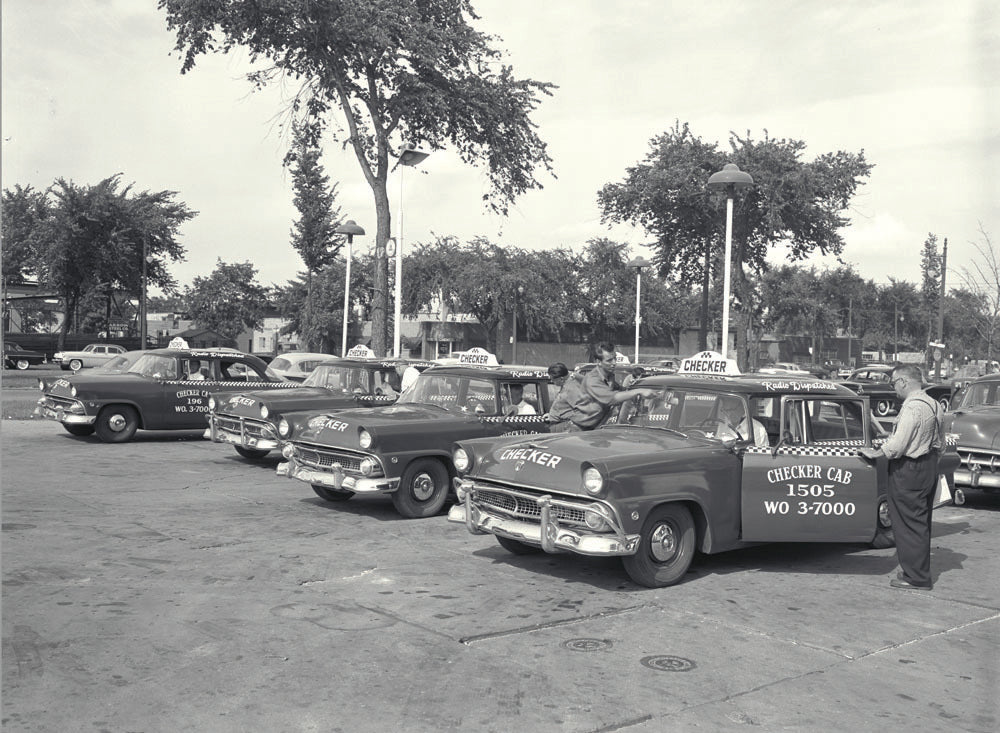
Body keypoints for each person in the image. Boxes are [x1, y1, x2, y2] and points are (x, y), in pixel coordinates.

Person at [859, 364, 944, 590]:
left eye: (894, 383)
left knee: (907, 524)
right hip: (928, 465)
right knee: (920, 522)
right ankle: (918, 570)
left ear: (904, 382)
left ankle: (916, 577)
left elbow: (897, 446)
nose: (894, 388)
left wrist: (875, 452)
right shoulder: (934, 404)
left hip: (909, 469)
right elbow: (940, 442)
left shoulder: (911, 407)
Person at [546, 343, 657, 432]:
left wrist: (634, 390)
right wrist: (639, 391)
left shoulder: (609, 377)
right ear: (598, 362)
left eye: (615, 359)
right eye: (609, 360)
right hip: (577, 429)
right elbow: (612, 398)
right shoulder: (592, 379)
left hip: (594, 429)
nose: (614, 363)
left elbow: (620, 391)